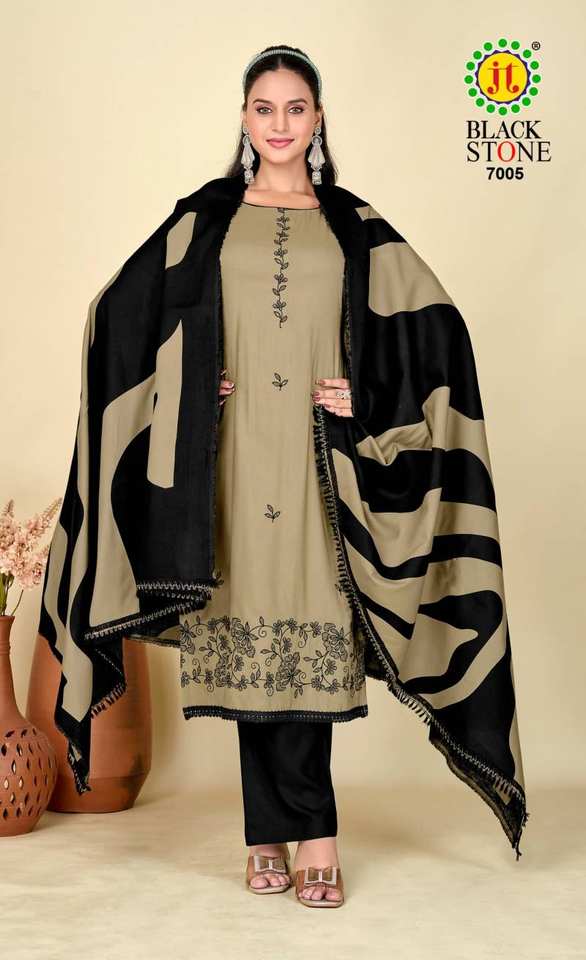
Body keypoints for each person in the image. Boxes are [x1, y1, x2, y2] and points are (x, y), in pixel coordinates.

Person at [38, 43, 528, 912]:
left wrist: (368, 394)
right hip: (227, 468)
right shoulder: (205, 221)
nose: (279, 124)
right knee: (249, 647)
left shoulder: (354, 227)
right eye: (263, 108)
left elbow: (435, 335)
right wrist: (190, 381)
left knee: (309, 639)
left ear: (318, 119)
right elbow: (117, 315)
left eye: (295, 108)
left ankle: (315, 837)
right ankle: (268, 838)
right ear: (243, 118)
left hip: (318, 465)